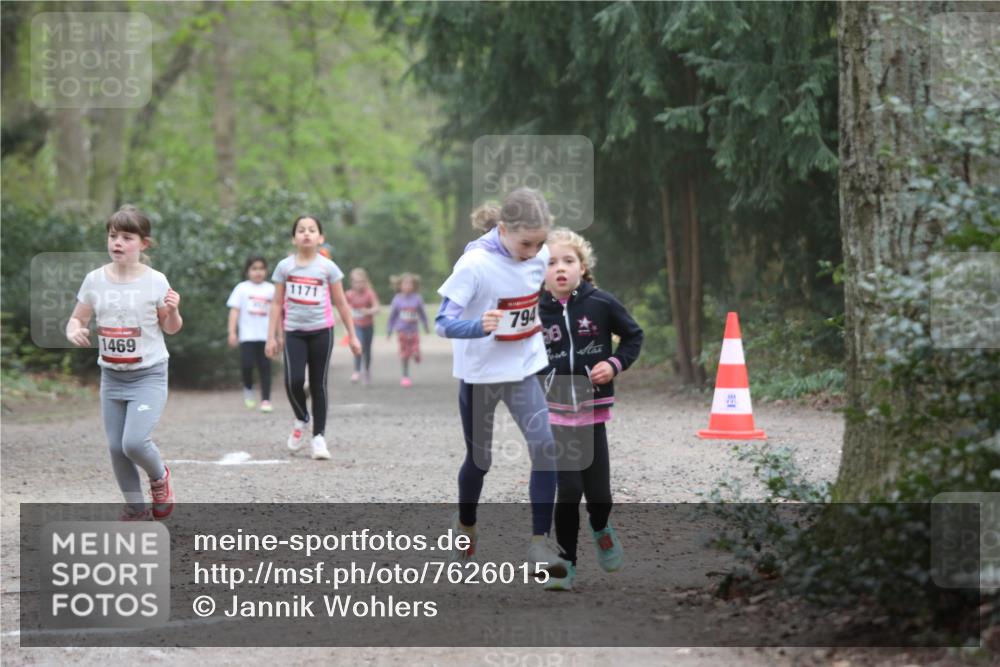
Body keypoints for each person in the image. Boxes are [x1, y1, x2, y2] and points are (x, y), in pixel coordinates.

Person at [436, 187, 568, 578]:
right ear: (504, 229)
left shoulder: (539, 254)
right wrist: (478, 325)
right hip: (481, 375)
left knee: (545, 446)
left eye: (540, 242)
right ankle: (466, 527)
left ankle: (540, 545)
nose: (534, 252)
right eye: (527, 243)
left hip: (524, 367)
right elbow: (442, 323)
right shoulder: (474, 265)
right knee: (480, 460)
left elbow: (532, 295)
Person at [537, 228, 644, 591]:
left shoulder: (601, 303)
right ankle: (565, 562)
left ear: (582, 267)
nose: (560, 268)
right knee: (568, 488)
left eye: (568, 261)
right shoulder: (534, 309)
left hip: (593, 408)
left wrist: (614, 364)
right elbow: (516, 350)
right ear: (541, 270)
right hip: (553, 411)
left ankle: (601, 527)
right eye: (551, 262)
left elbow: (634, 336)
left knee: (599, 495)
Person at [66, 205, 181, 520]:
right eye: (113, 235)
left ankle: (160, 479)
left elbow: (170, 328)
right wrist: (75, 330)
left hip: (149, 376)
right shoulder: (94, 280)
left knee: (133, 442)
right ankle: (135, 510)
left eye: (126, 237)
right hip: (112, 377)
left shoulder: (156, 281)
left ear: (143, 244)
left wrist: (172, 310)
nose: (117, 242)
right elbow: (77, 318)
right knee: (117, 449)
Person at [265, 215, 361, 460]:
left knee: (318, 384)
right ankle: (301, 419)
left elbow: (341, 302)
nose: (306, 234)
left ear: (321, 237)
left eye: (311, 230)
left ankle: (319, 437)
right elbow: (276, 303)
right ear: (294, 237)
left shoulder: (328, 268)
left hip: (322, 330)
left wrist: (352, 335)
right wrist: (271, 337)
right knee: (293, 381)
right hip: (294, 331)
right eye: (300, 230)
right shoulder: (284, 267)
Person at [227, 256, 275, 411]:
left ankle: (266, 400)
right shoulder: (241, 288)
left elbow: (277, 314)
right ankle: (248, 388)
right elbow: (234, 311)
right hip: (247, 336)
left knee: (265, 368)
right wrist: (232, 332)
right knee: (247, 365)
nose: (258, 272)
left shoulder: (271, 289)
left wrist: (278, 335)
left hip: (266, 336)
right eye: (254, 269)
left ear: (266, 271)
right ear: (247, 271)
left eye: (261, 268)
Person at [386, 273, 429, 387]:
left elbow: (422, 313)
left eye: (410, 283)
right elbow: (392, 316)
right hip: (402, 331)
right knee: (404, 354)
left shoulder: (417, 298)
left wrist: (426, 325)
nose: (407, 286)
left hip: (413, 330)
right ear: (400, 285)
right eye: (405, 283)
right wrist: (389, 330)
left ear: (414, 285)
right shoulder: (397, 299)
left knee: (415, 348)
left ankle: (416, 353)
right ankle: (405, 376)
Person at [345, 268, 380, 385]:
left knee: (367, 350)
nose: (358, 284)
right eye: (356, 281)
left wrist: (368, 311)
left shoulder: (369, 294)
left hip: (368, 326)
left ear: (365, 282)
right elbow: (344, 308)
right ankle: (356, 371)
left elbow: (377, 308)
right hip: (356, 326)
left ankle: (367, 370)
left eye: (361, 281)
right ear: (351, 282)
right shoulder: (349, 294)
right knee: (358, 346)